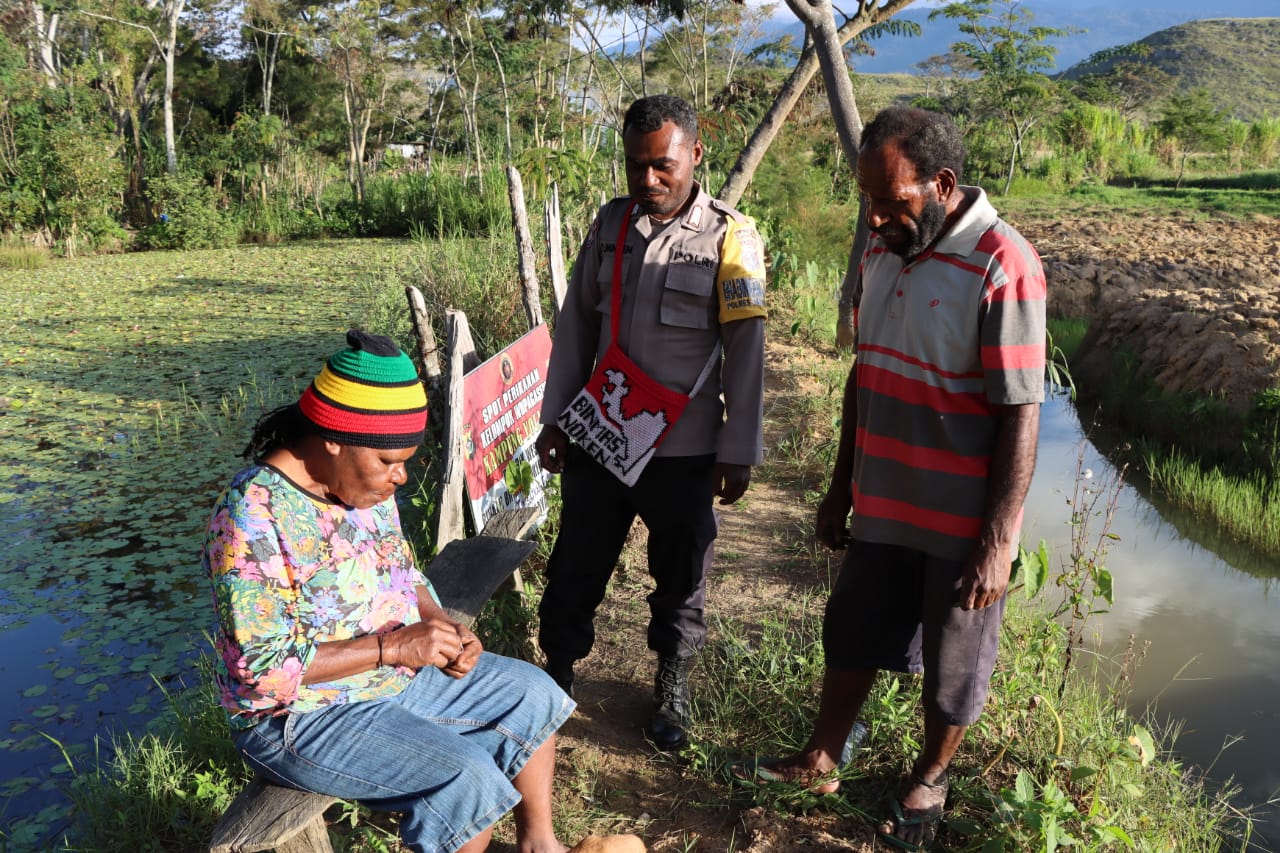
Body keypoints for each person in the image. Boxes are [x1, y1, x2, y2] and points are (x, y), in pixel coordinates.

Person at [736, 107, 1046, 851]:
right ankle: (821, 756)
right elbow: (863, 373)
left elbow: (1020, 412)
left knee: (954, 658)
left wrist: (999, 538)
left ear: (941, 184)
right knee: (851, 630)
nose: (876, 217)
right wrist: (842, 482)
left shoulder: (1005, 262)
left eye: (893, 200)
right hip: (883, 500)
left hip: (960, 514)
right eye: (868, 200)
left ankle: (929, 781)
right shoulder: (884, 250)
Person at [204, 331, 637, 853]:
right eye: (389, 462)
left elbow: (404, 573)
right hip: (299, 717)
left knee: (532, 693)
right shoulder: (251, 515)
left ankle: (541, 847)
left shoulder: (359, 485)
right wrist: (396, 647)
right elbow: (261, 670)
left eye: (405, 461)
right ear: (333, 438)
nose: (401, 477)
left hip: (388, 676)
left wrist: (440, 626)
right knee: (465, 778)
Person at [534, 94, 766, 751]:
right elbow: (576, 325)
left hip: (684, 450)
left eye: (663, 164)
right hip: (601, 439)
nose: (648, 180)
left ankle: (671, 685)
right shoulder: (608, 227)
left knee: (681, 572)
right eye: (635, 166)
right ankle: (555, 675)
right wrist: (555, 419)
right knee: (576, 564)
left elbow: (747, 352)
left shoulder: (733, 237)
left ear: (696, 154)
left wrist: (738, 446)